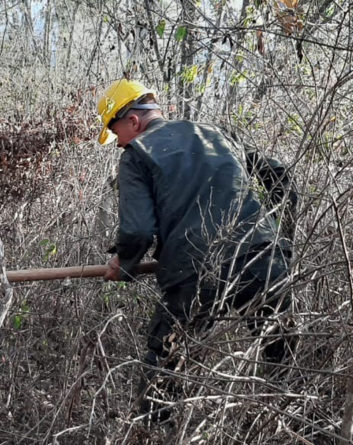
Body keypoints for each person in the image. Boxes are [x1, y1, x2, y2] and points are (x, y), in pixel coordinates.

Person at [96, 79, 296, 421]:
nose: (118, 145)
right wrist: (280, 238)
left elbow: (139, 229)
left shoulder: (137, 156)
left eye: (116, 134)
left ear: (133, 120)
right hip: (263, 256)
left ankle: (156, 429)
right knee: (282, 353)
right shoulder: (214, 132)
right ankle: (284, 422)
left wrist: (124, 263)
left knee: (165, 363)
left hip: (195, 269)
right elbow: (279, 175)